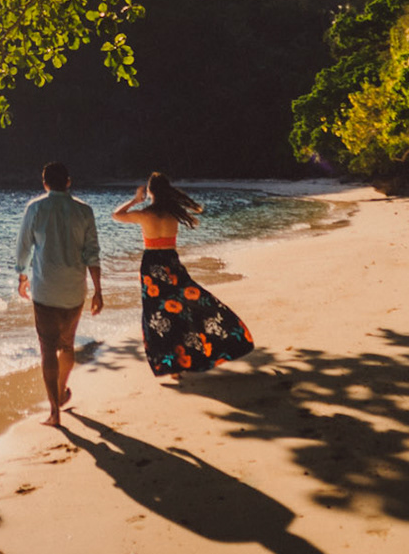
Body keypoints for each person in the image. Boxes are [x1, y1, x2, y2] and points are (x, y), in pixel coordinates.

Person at [112, 173, 254, 377]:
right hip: (171, 263)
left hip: (152, 266)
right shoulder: (173, 215)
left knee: (158, 315)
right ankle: (201, 351)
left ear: (150, 192)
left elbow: (116, 215)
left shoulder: (145, 214)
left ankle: (173, 366)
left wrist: (135, 200)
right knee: (183, 308)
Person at [15, 161, 103, 426]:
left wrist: (22, 276)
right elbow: (92, 252)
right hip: (75, 290)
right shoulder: (84, 211)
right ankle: (62, 392)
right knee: (67, 345)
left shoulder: (35, 208)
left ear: (45, 184)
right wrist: (98, 290)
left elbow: (23, 248)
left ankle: (54, 411)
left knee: (48, 350)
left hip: (45, 291)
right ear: (68, 182)